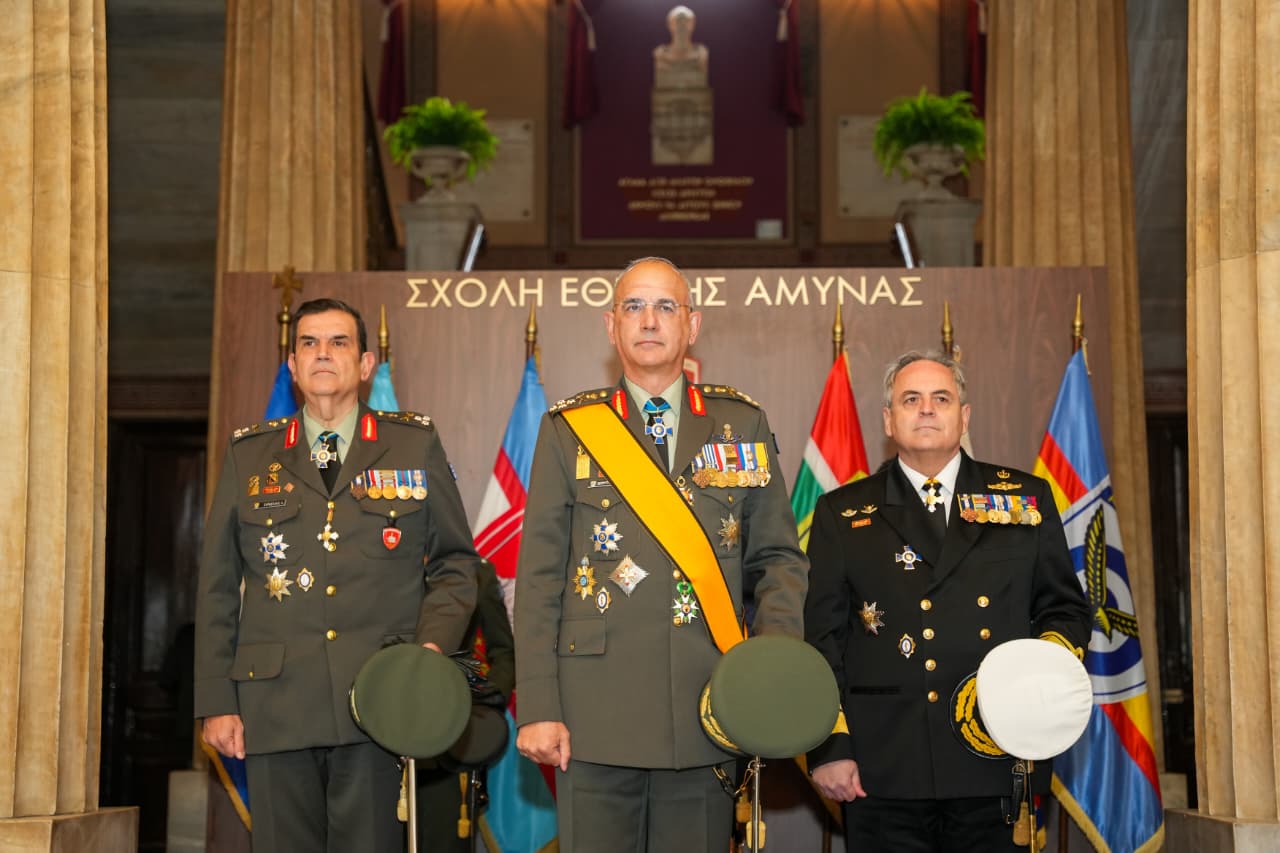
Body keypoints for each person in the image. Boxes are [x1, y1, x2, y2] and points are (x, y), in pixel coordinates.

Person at [514, 256, 808, 852]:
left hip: (706, 708)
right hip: (593, 714)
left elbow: (777, 559)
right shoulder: (570, 428)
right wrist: (539, 704)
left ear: (692, 325)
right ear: (611, 325)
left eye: (666, 306)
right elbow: (540, 577)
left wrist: (769, 667)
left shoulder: (740, 423)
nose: (649, 320)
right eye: (634, 306)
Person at [194, 297, 481, 853]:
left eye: (338, 342)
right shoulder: (249, 454)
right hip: (274, 704)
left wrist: (427, 651)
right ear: (293, 366)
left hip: (376, 702)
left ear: (366, 364)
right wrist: (216, 699)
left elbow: (456, 563)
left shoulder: (412, 443)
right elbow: (218, 586)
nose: (322, 353)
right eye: (309, 343)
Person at [804, 350, 1091, 852]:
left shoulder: (1024, 500)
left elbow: (1064, 611)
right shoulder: (843, 512)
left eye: (941, 398)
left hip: (995, 752)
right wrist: (830, 746)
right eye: (910, 399)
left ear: (965, 415)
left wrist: (1033, 680)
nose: (926, 409)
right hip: (882, 765)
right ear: (888, 420)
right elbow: (822, 640)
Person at [416, 559, 515, 852]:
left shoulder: (476, 573)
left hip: (451, 743)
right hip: (382, 739)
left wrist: (485, 703)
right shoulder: (381, 565)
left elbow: (503, 653)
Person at [653, 5, 709, 89]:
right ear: (670, 25)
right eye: (678, 21)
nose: (682, 25)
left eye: (686, 21)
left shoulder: (701, 55)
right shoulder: (661, 55)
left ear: (692, 25)